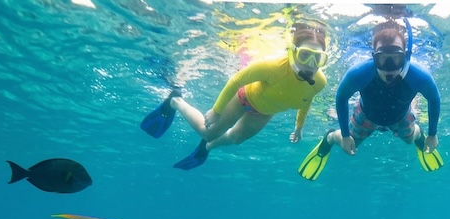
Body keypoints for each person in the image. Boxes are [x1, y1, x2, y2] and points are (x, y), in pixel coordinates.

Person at [140, 21, 329, 170]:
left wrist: (299, 127)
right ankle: (176, 101)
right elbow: (237, 79)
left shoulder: (319, 82)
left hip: (264, 113)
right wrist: (216, 110)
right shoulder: (272, 66)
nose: (310, 64)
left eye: (318, 57)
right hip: (244, 99)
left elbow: (306, 99)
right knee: (208, 132)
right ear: (292, 53)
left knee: (237, 139)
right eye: (305, 55)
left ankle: (205, 148)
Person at [298, 19, 442, 181]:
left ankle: (419, 134)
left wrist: (432, 134)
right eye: (382, 59)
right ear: (374, 57)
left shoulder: (419, 75)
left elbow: (434, 99)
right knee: (352, 145)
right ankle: (331, 137)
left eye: (396, 59)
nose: (389, 67)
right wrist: (345, 136)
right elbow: (341, 97)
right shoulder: (360, 73)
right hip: (367, 114)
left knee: (409, 140)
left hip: (401, 115)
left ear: (406, 57)